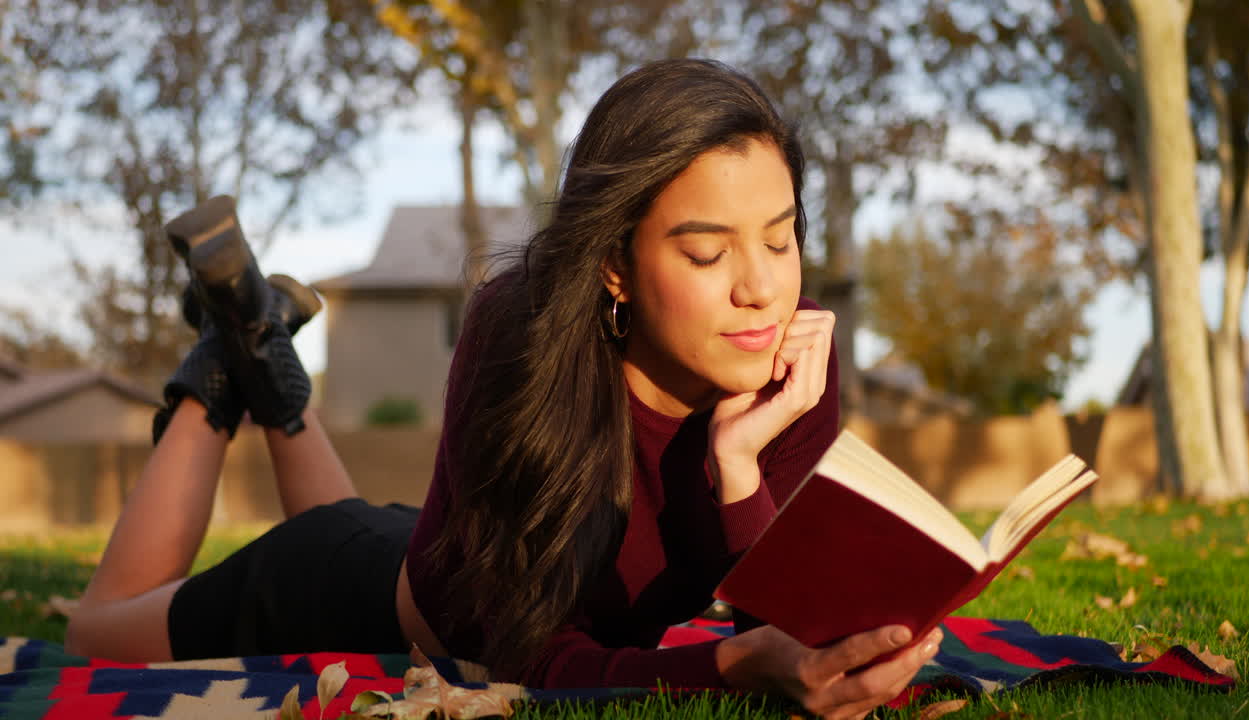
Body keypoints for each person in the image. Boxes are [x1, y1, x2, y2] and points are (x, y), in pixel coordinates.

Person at [65, 58, 941, 719]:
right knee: (93, 637)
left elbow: (784, 632)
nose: (761, 288)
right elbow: (536, 663)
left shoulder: (785, 356)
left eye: (781, 239)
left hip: (436, 556)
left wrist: (742, 468)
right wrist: (728, 668)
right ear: (614, 269)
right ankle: (221, 368)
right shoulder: (520, 337)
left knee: (354, 524)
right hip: (346, 589)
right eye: (709, 253)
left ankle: (264, 351)